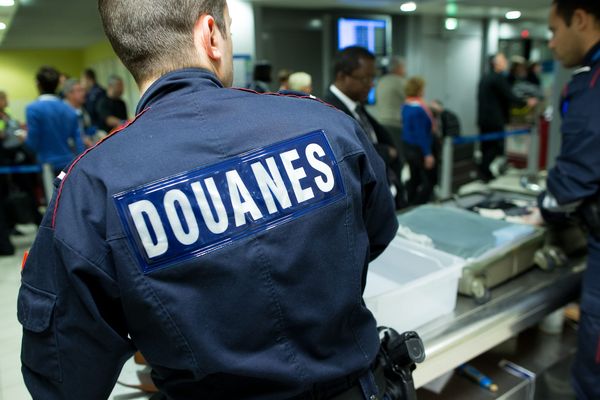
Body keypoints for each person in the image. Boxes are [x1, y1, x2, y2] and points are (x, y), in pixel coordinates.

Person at [18, 1, 398, 399]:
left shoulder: (91, 187)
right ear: (211, 35)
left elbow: (65, 376)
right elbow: (378, 231)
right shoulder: (326, 124)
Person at [540, 1, 600, 399]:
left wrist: (545, 207)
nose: (551, 43)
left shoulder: (592, 84)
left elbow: (574, 180)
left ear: (579, 18)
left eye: (553, 30)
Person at [324, 46, 405, 209]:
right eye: (365, 79)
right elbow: (347, 153)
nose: (371, 84)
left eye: (372, 78)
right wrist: (386, 152)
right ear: (342, 76)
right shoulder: (328, 111)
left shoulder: (357, 107)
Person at [476, 53, 537, 181]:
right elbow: (510, 96)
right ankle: (485, 172)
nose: (506, 63)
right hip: (494, 120)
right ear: (496, 63)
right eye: (503, 60)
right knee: (495, 147)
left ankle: (484, 173)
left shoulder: (485, 77)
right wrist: (526, 102)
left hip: (484, 119)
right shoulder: (498, 78)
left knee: (486, 147)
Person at [24, 66, 85, 174]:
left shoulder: (33, 109)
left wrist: (24, 140)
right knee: (64, 190)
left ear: (38, 84)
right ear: (58, 84)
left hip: (46, 164)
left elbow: (32, 143)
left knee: (50, 191)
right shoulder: (69, 109)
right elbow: (78, 140)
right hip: (68, 163)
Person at [402, 77, 436, 205]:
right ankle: (418, 204)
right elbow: (420, 133)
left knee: (414, 178)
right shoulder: (418, 108)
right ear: (419, 89)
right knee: (429, 181)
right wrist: (427, 154)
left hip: (408, 146)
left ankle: (409, 203)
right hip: (419, 148)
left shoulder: (406, 105)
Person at [371, 56, 407, 146]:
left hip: (382, 122)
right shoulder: (401, 82)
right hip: (396, 123)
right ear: (398, 68)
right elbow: (412, 100)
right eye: (403, 67)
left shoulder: (380, 81)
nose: (405, 70)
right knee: (400, 154)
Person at [63, 78, 98, 148]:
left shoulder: (83, 110)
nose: (84, 93)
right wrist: (81, 140)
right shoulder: (62, 112)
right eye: (79, 90)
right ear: (69, 94)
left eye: (83, 90)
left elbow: (88, 130)